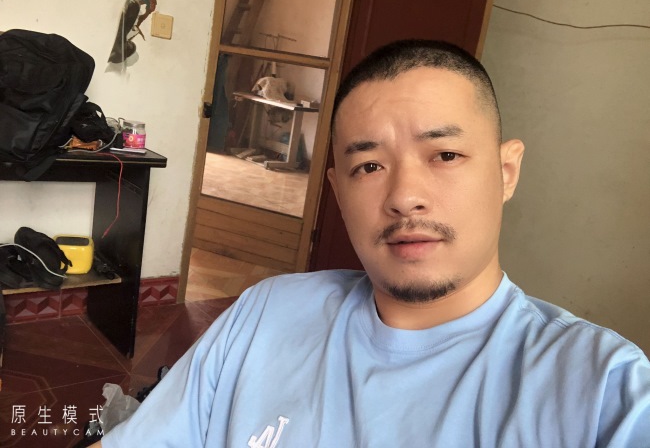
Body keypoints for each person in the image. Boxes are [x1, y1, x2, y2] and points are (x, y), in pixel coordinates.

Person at [94, 40, 650, 447]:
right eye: (368, 166)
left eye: (445, 155)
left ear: (507, 172)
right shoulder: (267, 312)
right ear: (337, 191)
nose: (405, 197)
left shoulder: (603, 389)